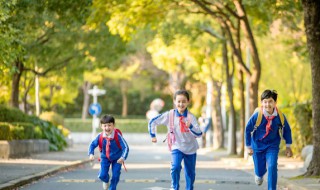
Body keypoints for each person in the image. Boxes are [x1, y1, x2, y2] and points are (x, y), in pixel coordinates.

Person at [148, 90, 203, 190]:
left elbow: (199, 134)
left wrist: (191, 126)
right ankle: (174, 186)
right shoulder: (170, 115)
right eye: (179, 101)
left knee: (190, 173)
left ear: (188, 102)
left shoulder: (191, 117)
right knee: (175, 167)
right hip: (176, 146)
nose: (181, 104)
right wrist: (153, 135)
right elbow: (153, 121)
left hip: (190, 148)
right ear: (174, 101)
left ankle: (189, 188)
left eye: (183, 101)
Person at [245, 89, 293, 190]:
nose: (268, 104)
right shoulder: (257, 115)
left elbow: (287, 129)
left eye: (270, 101)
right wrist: (248, 146)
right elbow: (248, 129)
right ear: (262, 103)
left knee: (272, 166)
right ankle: (259, 174)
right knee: (259, 169)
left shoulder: (280, 116)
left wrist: (288, 146)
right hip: (257, 145)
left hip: (272, 145)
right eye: (265, 102)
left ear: (275, 103)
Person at [88, 114, 129, 190]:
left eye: (109, 125)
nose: (107, 128)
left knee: (116, 175)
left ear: (113, 125)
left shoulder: (117, 136)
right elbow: (92, 144)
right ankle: (106, 180)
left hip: (117, 159)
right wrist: (91, 154)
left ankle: (112, 188)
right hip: (105, 158)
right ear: (101, 126)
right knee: (102, 175)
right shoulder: (100, 136)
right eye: (105, 126)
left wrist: (123, 157)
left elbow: (126, 147)